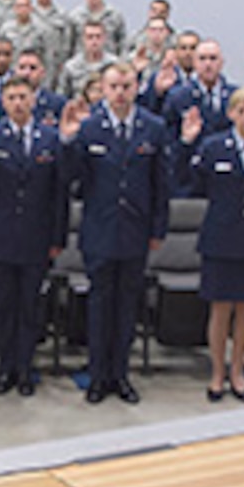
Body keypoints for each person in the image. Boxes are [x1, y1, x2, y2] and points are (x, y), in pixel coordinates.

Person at [62, 62, 170, 404]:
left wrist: (158, 228)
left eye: (126, 86)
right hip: (100, 231)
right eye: (113, 86)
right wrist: (68, 141)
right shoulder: (90, 127)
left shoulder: (152, 127)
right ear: (103, 89)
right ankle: (97, 376)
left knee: (127, 307)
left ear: (136, 87)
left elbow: (160, 184)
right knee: (99, 306)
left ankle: (120, 375)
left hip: (135, 232)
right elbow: (72, 179)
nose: (120, 93)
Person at [179, 87, 244, 401]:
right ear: (230, 114)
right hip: (220, 239)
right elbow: (190, 183)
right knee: (220, 307)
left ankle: (237, 370)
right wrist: (188, 143)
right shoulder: (214, 147)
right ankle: (217, 372)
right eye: (241, 110)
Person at [0, 76, 69, 396]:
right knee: (2, 306)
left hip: (37, 235)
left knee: (30, 306)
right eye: (11, 97)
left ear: (33, 100)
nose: (17, 103)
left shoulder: (50, 138)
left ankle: (25, 368)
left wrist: (58, 237)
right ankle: (5, 367)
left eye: (22, 97)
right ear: (3, 101)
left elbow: (60, 192)